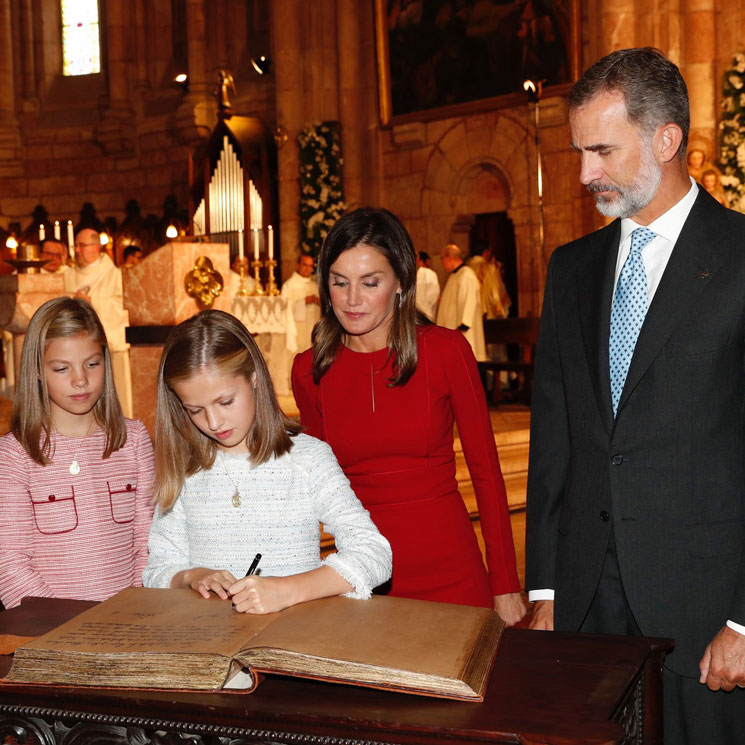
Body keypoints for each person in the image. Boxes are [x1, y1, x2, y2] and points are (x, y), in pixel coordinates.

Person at [525, 47, 745, 745]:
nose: (585, 173)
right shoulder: (571, 268)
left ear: (665, 138)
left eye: (600, 150)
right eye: (578, 152)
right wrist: (544, 592)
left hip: (705, 613)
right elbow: (553, 443)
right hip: (587, 607)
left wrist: (744, 619)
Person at [292, 207, 524, 624]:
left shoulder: (446, 351)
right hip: (364, 576)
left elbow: (487, 472)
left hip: (451, 568)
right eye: (339, 283)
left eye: (370, 283)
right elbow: (315, 488)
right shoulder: (310, 370)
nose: (352, 300)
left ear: (400, 281)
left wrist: (505, 583)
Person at [142, 310, 391, 613]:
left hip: (293, 643)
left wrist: (287, 590)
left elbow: (374, 554)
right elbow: (157, 570)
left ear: (254, 378)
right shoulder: (184, 469)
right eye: (195, 410)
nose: (214, 421)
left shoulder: (306, 459)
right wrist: (191, 576)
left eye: (225, 402)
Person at [0, 297, 153, 609]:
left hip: (130, 622)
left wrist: (139, 609)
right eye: (61, 368)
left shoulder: (134, 440)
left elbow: (147, 544)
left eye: (92, 364)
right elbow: (11, 567)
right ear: (38, 371)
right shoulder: (14, 455)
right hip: (52, 633)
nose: (80, 379)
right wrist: (67, 631)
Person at [65, 228, 132, 417]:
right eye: (75, 246)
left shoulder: (116, 275)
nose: (76, 250)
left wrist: (92, 304)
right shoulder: (67, 275)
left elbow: (124, 309)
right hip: (75, 352)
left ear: (96, 247)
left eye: (82, 245)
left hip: (110, 349)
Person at [436, 243, 486, 361]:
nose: (442, 262)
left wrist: (463, 325)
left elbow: (469, 302)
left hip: (463, 335)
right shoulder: (454, 276)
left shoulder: (466, 275)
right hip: (452, 336)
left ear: (450, 257)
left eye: (442, 258)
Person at [280, 253, 321, 352]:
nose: (308, 269)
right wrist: (303, 302)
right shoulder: (289, 285)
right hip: (297, 330)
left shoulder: (315, 285)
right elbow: (283, 310)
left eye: (310, 266)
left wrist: (319, 302)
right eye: (305, 265)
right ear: (298, 265)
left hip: (313, 327)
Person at [415, 251, 440, 322]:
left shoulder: (416, 275)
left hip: (417, 316)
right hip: (427, 316)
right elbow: (433, 297)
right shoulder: (431, 274)